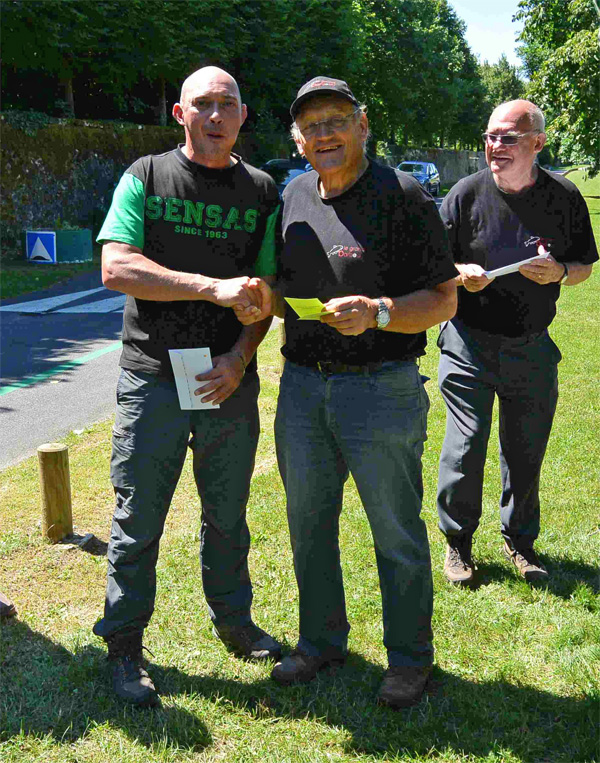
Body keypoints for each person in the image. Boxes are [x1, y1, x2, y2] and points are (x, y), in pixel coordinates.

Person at [238, 76, 457, 708]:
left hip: (381, 390)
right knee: (308, 524)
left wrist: (380, 311)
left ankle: (411, 659)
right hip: (304, 388)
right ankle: (321, 641)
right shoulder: (294, 194)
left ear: (363, 125)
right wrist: (263, 299)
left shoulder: (404, 195)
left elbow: (443, 299)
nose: (325, 134)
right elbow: (282, 287)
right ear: (297, 138)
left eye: (337, 120)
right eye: (312, 126)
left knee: (395, 531)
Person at [94, 66, 280, 707]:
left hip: (225, 378)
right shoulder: (145, 176)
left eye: (227, 104)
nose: (215, 114)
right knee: (137, 517)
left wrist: (238, 354)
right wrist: (209, 287)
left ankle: (233, 622)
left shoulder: (260, 190)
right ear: (180, 113)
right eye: (202, 104)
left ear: (243, 114)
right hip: (154, 376)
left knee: (227, 514)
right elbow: (115, 265)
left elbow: (265, 295)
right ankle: (123, 645)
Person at [437, 99, 598, 587]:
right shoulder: (465, 195)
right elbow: (431, 267)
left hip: (531, 346)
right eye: (490, 137)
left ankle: (520, 543)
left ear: (537, 143)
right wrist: (458, 273)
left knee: (526, 452)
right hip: (468, 344)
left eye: (508, 137)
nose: (495, 147)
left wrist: (560, 271)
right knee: (464, 451)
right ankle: (457, 543)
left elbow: (584, 267)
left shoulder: (564, 196)